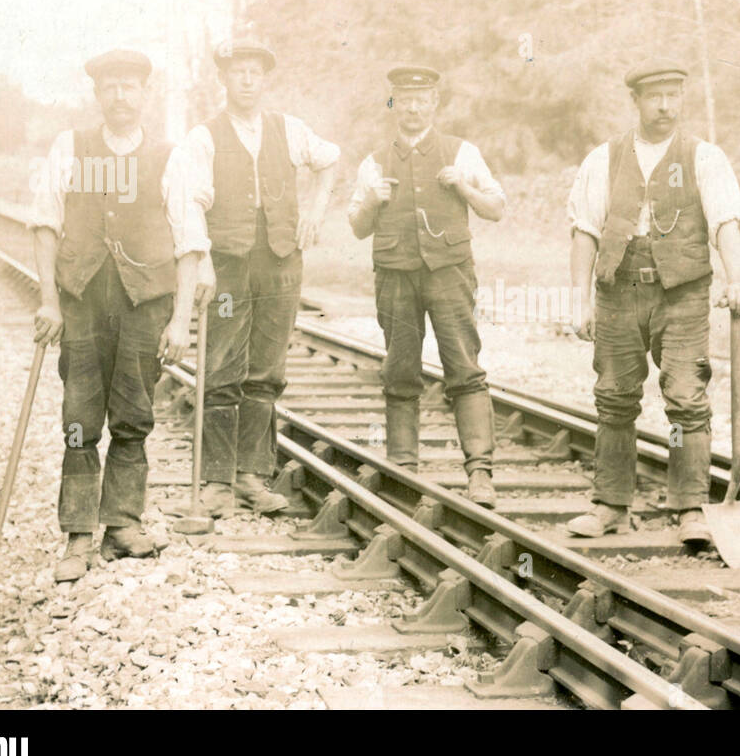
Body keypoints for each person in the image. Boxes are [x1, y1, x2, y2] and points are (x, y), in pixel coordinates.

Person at [30, 48, 210, 582]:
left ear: (144, 93)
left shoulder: (170, 157)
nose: (120, 96)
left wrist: (180, 320)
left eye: (129, 86)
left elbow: (189, 241)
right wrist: (48, 299)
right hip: (84, 303)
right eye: (110, 86)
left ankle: (122, 527)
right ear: (97, 94)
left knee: (133, 417)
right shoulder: (71, 147)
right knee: (80, 419)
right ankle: (78, 535)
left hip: (142, 305)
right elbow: (44, 223)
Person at [565, 58, 740, 545]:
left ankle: (690, 509)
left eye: (673, 95)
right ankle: (610, 506)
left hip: (683, 292)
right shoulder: (603, 159)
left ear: (682, 98)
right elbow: (584, 231)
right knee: (614, 395)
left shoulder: (704, 157)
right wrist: (578, 300)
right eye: (654, 97)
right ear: (636, 101)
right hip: (618, 291)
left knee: (687, 396)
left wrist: (739, 278)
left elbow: (726, 221)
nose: (665, 106)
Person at [177, 39, 340, 517]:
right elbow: (189, 202)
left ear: (264, 79)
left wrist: (316, 208)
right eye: (238, 72)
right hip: (228, 263)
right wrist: (203, 258)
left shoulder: (288, 129)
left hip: (280, 263)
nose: (247, 80)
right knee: (222, 365)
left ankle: (251, 476)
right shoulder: (203, 137)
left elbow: (330, 159)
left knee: (267, 370)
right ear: (223, 79)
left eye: (255, 72)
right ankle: (216, 483)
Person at [346, 66, 505, 506]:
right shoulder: (373, 162)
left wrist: (464, 189)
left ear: (435, 103)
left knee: (465, 368)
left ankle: (480, 475)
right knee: (399, 369)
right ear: (393, 104)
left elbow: (496, 208)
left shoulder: (462, 153)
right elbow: (357, 227)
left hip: (450, 274)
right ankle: (402, 471)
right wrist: (374, 202)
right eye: (405, 99)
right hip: (395, 275)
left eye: (422, 99)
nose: (413, 107)